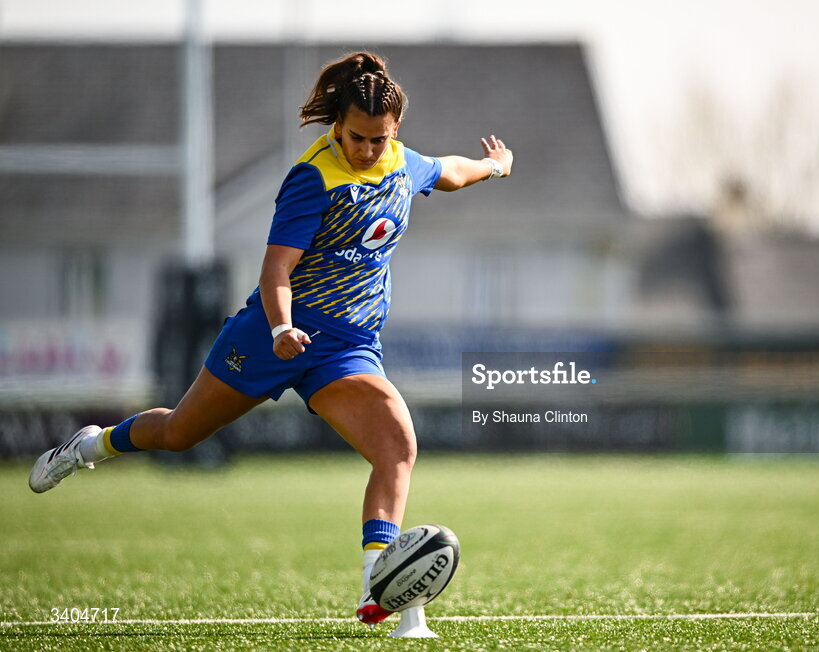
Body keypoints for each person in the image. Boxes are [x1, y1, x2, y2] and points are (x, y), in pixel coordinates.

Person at [28, 51, 513, 635]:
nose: (366, 149)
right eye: (357, 138)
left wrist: (497, 167)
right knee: (180, 433)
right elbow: (275, 271)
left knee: (396, 443)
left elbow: (451, 172)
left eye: (377, 139)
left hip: (345, 348)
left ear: (395, 130)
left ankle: (374, 592)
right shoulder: (314, 178)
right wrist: (283, 329)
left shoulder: (401, 163)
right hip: (269, 335)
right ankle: (90, 446)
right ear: (338, 124)